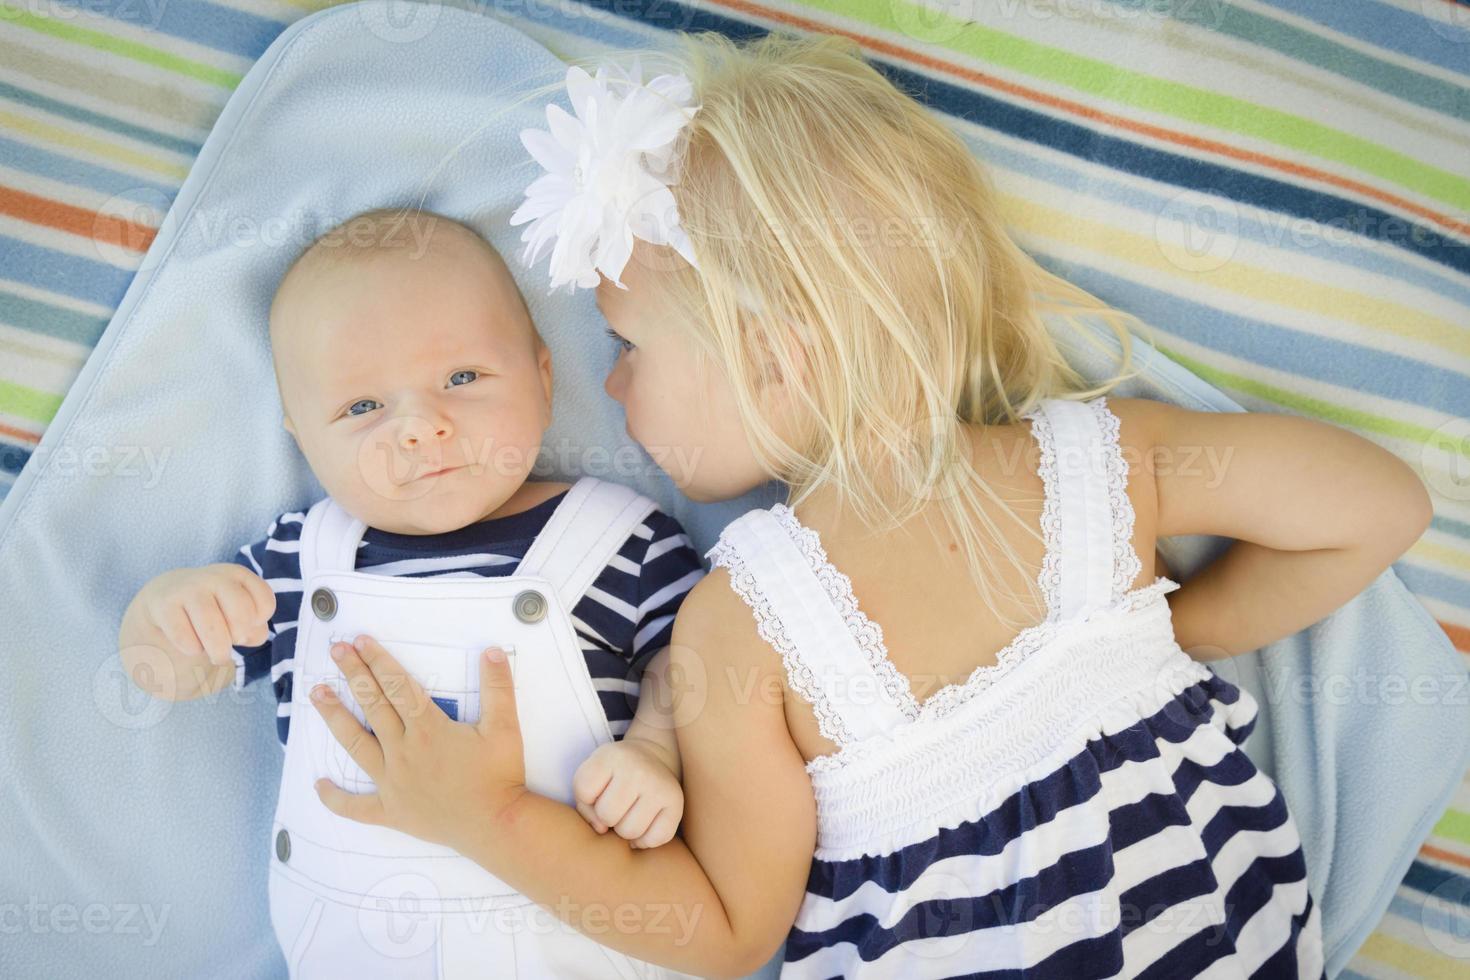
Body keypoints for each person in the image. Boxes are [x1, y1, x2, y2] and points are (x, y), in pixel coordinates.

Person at [306, 33, 1432, 979]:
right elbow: (1379, 506)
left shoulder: (747, 622)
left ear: (774, 356)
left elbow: (720, 927)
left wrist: (488, 816)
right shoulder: (1097, 466)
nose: (608, 382)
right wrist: (1190, 628)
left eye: (628, 344)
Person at [116, 207, 702, 978]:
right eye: (362, 408)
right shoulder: (301, 561)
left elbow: (698, 671)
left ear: (543, 372)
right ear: (301, 433)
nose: (421, 427)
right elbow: (175, 672)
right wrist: (163, 618)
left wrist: (656, 750)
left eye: (462, 378)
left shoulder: (621, 541)